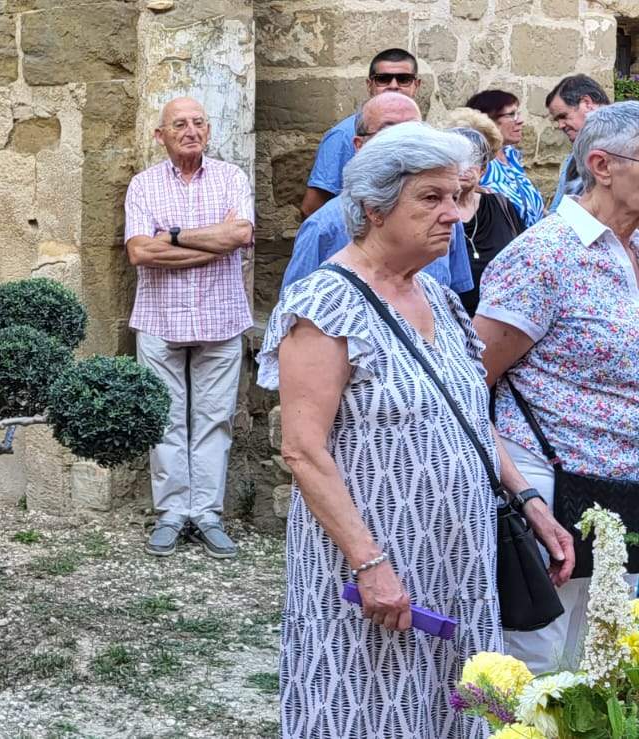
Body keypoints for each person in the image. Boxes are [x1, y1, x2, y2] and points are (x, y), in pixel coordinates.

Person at [260, 122, 573, 738]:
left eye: (457, 197)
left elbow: (471, 413)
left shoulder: (439, 295)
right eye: (430, 199)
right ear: (374, 208)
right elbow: (303, 450)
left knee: (457, 708)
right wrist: (368, 562)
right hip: (376, 560)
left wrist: (529, 500)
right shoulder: (324, 309)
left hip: (460, 557)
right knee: (366, 705)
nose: (453, 215)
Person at [477, 102, 639, 674]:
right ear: (602, 165)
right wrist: (522, 494)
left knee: (606, 663)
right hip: (549, 481)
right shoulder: (545, 256)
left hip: (625, 493)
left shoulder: (636, 248)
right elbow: (473, 382)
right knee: (538, 665)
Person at [122, 97, 254, 559]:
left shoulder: (231, 178)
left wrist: (173, 237)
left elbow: (238, 236)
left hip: (220, 316)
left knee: (214, 420)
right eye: (179, 124)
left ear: (209, 130)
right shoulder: (142, 186)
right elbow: (139, 252)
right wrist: (210, 243)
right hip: (160, 316)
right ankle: (172, 513)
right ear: (161, 135)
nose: (191, 130)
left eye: (198, 122)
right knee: (165, 418)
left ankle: (207, 513)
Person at [281, 92, 474, 294]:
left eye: (413, 132)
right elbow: (293, 313)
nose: (404, 142)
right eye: (388, 132)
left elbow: (457, 297)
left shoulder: (448, 220)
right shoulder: (323, 227)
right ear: (359, 145)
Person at [300, 48, 422, 218]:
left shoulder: (424, 136)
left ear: (416, 85)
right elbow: (312, 208)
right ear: (370, 85)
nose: (393, 86)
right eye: (383, 79)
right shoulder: (343, 136)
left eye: (403, 79)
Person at [441, 110, 525, 315]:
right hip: (452, 321)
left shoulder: (501, 205)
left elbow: (523, 259)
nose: (465, 167)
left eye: (473, 160)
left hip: (502, 318)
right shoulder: (437, 212)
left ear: (483, 170)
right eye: (458, 159)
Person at [464, 90, 545, 229]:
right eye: (511, 115)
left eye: (518, 113)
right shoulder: (479, 163)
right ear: (488, 121)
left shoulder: (511, 156)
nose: (520, 121)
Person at [545, 74, 610, 210]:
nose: (561, 125)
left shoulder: (628, 148)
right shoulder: (574, 157)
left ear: (586, 103)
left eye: (563, 116)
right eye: (557, 120)